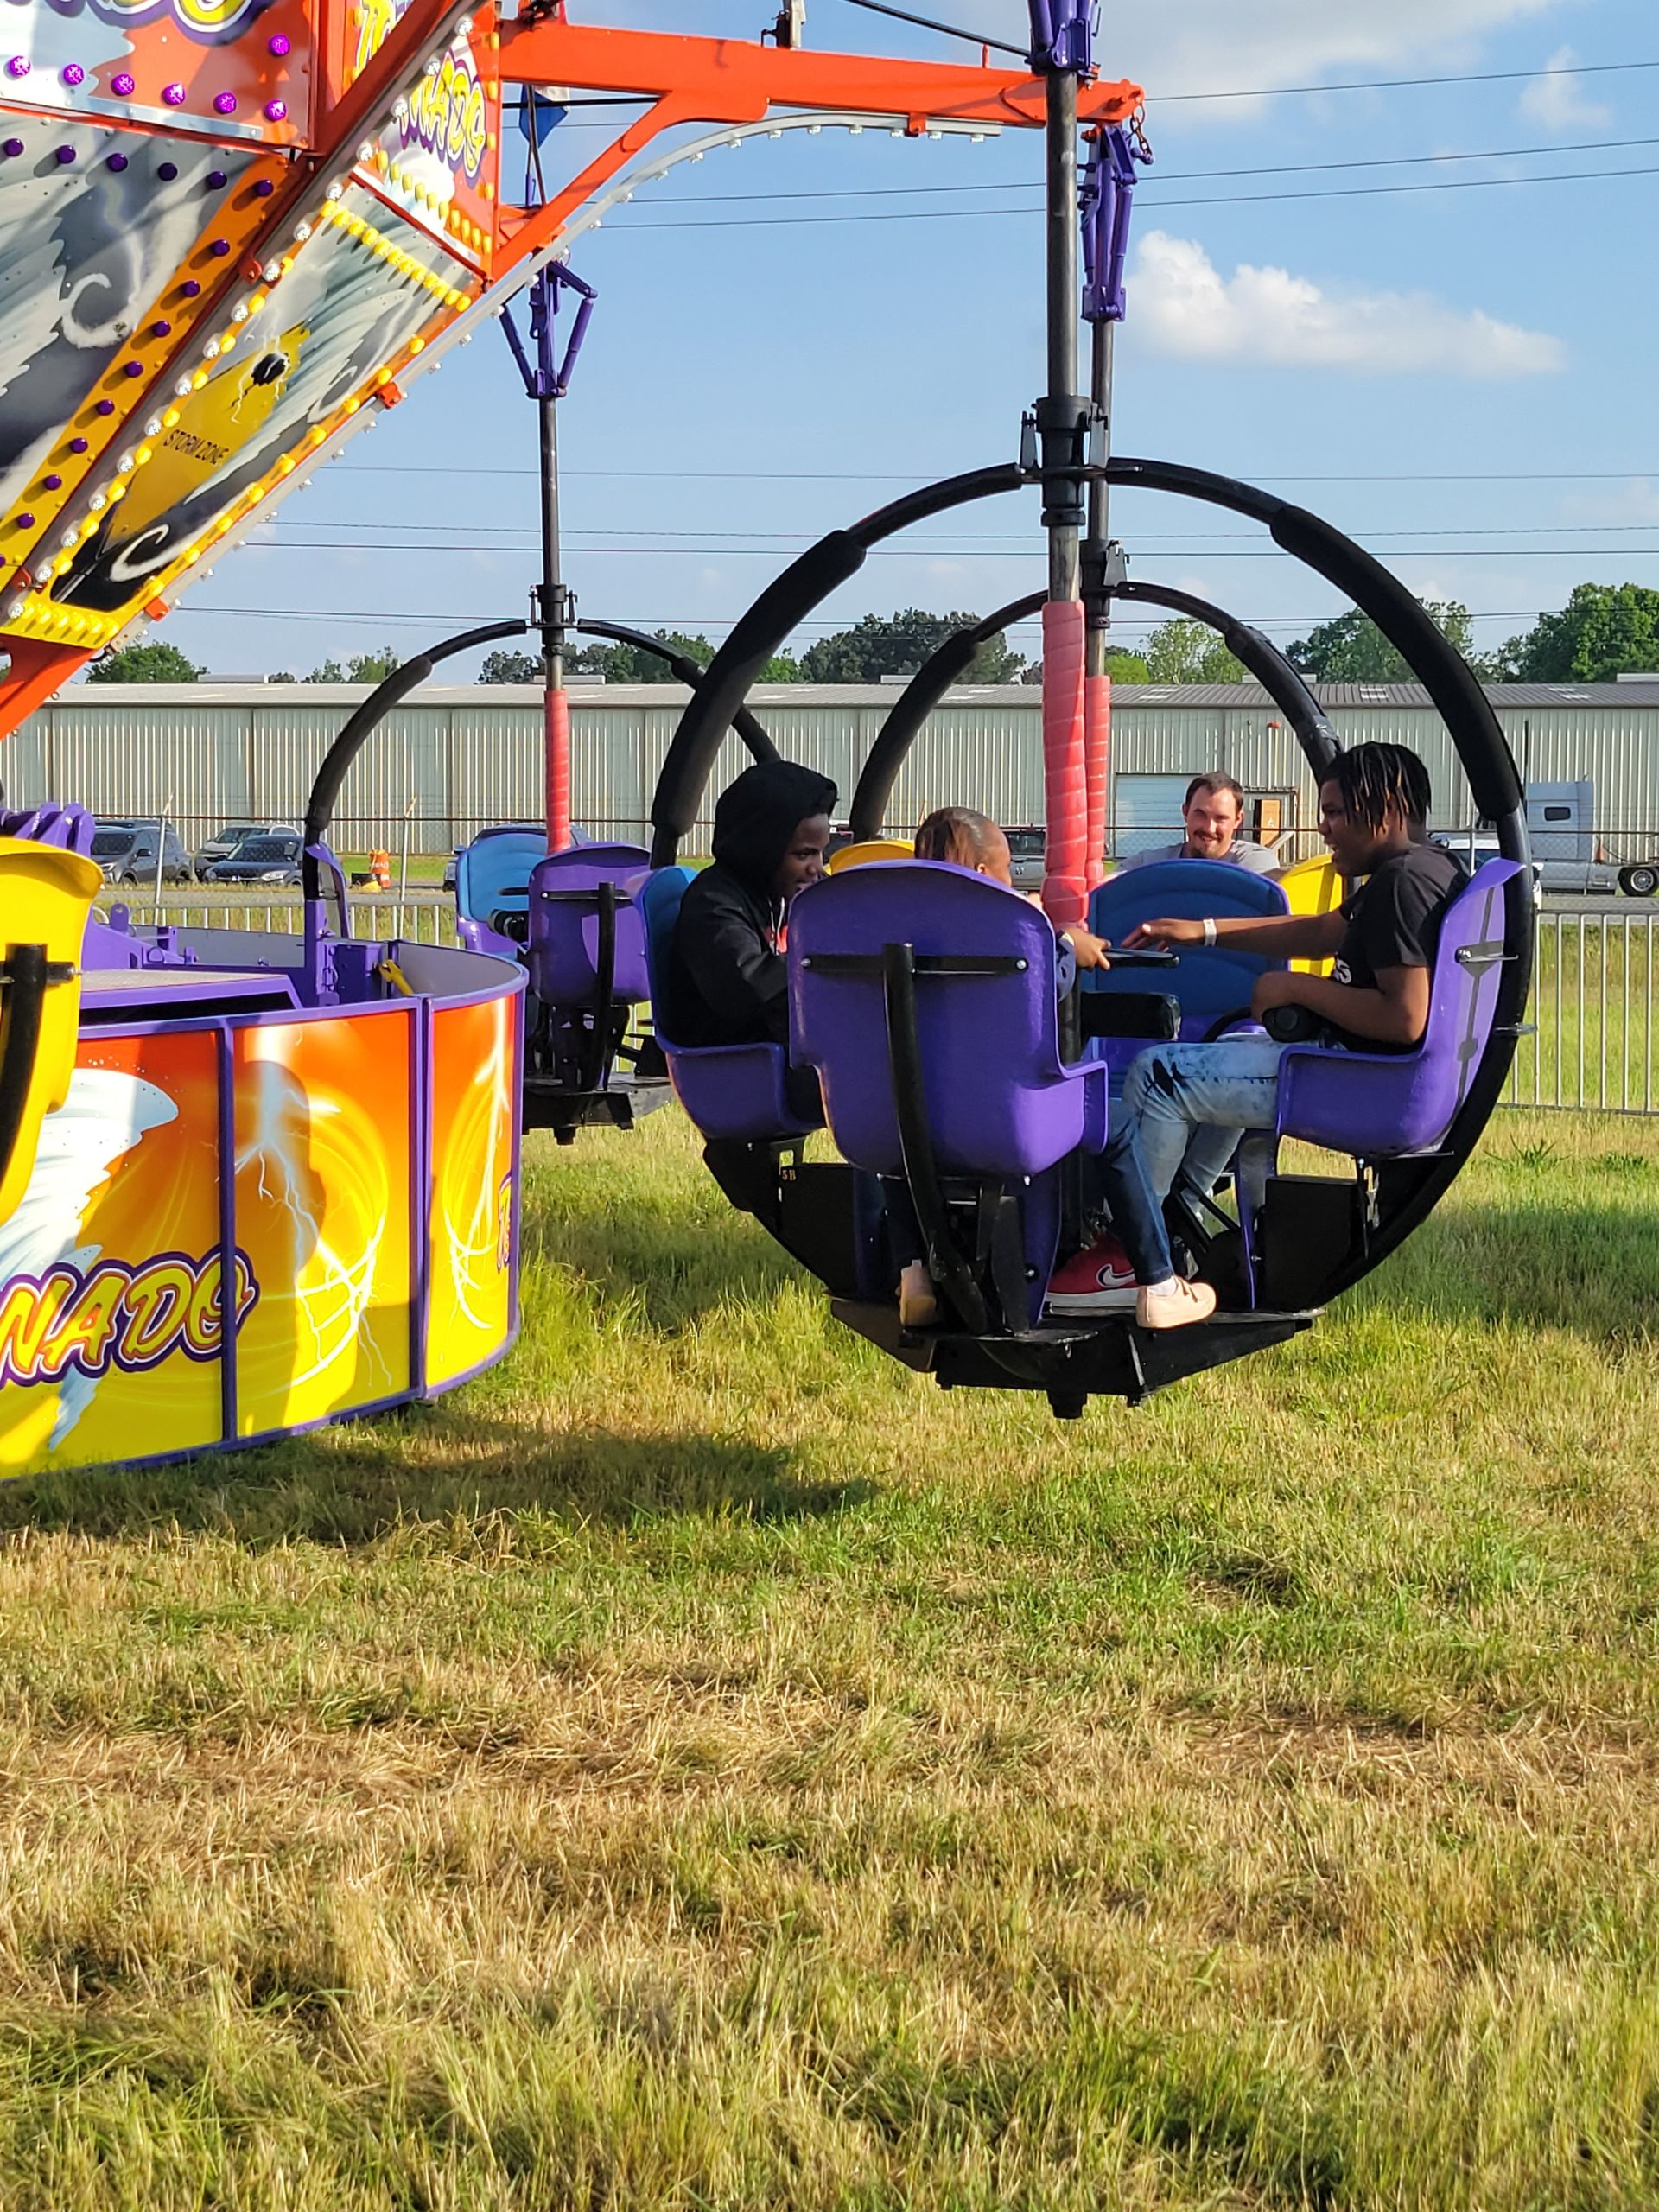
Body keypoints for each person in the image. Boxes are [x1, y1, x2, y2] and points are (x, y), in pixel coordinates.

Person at [1115, 741, 1463, 1217]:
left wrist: (1298, 989)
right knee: (1225, 1053)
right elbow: (1321, 933)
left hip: (1363, 1079)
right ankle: (1181, 1220)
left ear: (1386, 806)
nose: (1323, 827)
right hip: (1376, 1073)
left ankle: (1134, 1253)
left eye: (1336, 812)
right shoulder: (1428, 869)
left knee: (1157, 1076)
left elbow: (1403, 1017)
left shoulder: (1401, 887)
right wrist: (1202, 931)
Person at [904, 806, 1217, 1332]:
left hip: (906, 1120)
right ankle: (1158, 1283)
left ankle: (917, 1273)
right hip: (1003, 1119)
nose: (1012, 883)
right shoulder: (1001, 926)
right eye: (1007, 870)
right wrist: (1067, 945)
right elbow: (1041, 990)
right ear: (983, 874)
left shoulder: (900, 926)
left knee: (907, 1159)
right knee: (1112, 1124)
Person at [665, 759, 836, 1118]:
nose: (817, 868)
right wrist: (833, 974)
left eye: (821, 853)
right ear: (762, 847)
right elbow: (747, 987)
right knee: (885, 1083)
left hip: (778, 1054)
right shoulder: (713, 906)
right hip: (739, 1069)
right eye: (804, 854)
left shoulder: (775, 897)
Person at [1116, 772, 1278, 875]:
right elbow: (1107, 887)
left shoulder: (1255, 864)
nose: (1209, 828)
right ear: (1185, 812)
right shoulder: (1150, 863)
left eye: (1221, 818)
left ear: (1238, 820)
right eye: (1200, 815)